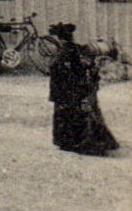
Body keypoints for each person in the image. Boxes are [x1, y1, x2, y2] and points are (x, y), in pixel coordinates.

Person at [49, 23, 119, 155]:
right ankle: (93, 141)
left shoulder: (61, 53)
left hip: (67, 89)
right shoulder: (77, 49)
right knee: (86, 112)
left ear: (60, 39)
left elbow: (58, 72)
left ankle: (72, 142)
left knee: (69, 113)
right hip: (79, 86)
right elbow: (86, 65)